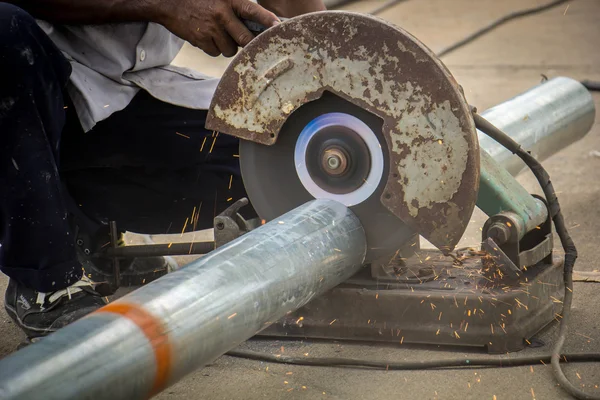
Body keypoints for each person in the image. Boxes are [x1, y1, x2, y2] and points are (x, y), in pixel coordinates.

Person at [0, 0, 326, 338]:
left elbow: (302, 14)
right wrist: (166, 5)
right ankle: (44, 276)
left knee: (286, 164)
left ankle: (78, 223)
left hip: (120, 90)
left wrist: (341, 70)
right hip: (23, 83)